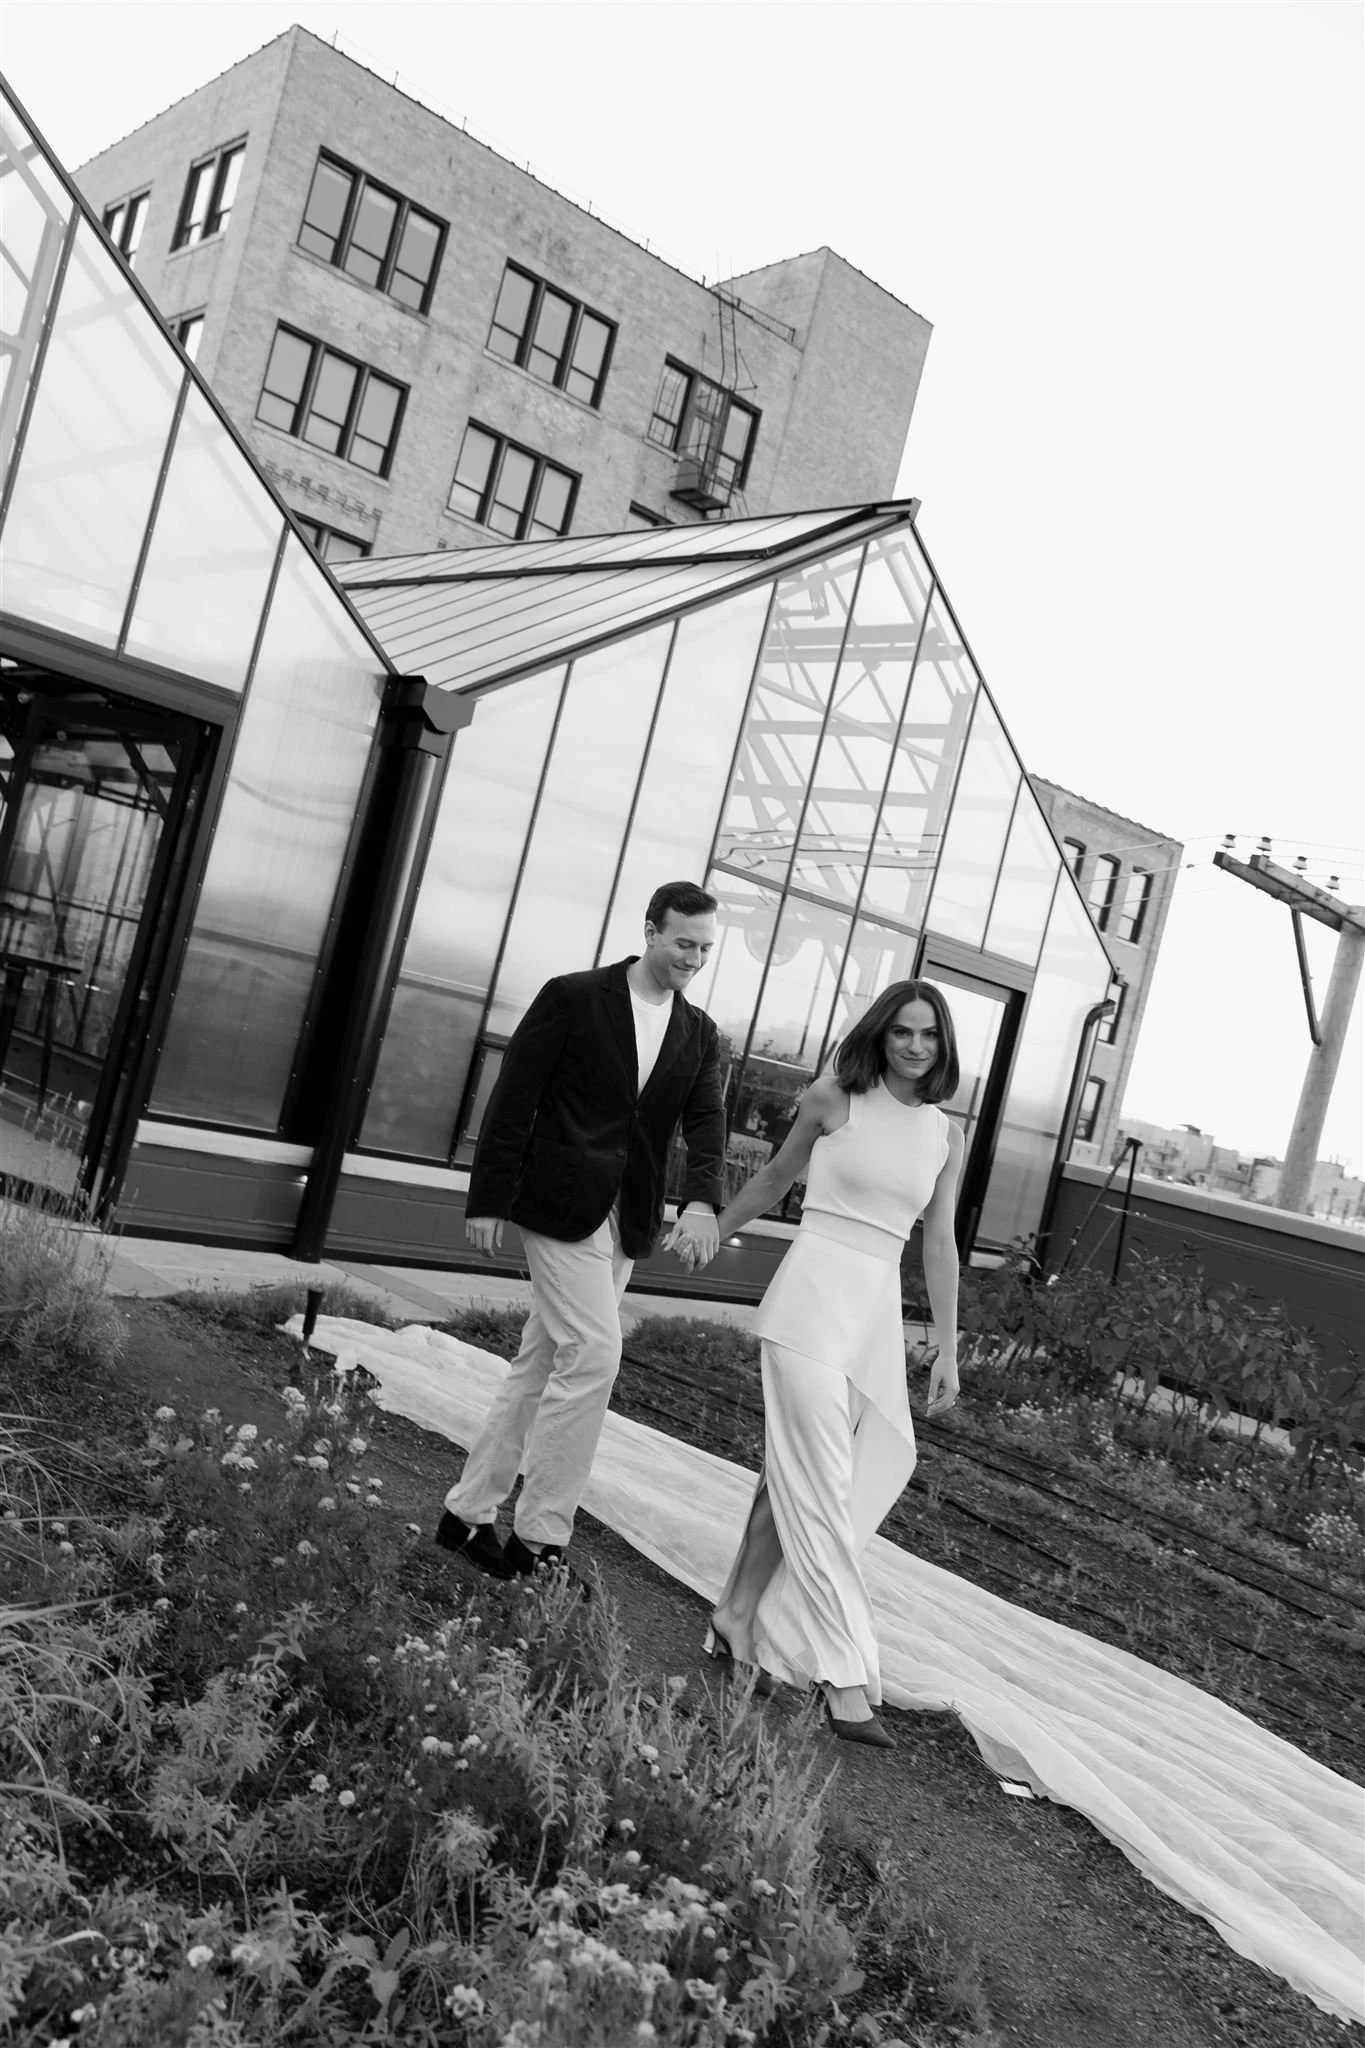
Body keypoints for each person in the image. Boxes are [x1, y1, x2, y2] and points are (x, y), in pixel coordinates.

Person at [435, 881, 726, 1581]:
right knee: (593, 1355)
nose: (693, 958)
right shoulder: (572, 997)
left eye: (705, 948)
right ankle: (541, 1538)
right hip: (560, 1204)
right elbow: (515, 1098)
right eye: (684, 942)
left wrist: (703, 1202)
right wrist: (488, 1197)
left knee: (540, 1365)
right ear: (651, 931)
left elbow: (706, 1123)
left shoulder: (699, 1032)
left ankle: (466, 1512)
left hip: (627, 1217)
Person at [703, 979, 963, 1748]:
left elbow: (939, 1241)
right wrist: (713, 1230)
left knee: (796, 1475)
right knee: (821, 1476)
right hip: (810, 1299)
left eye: (929, 1035)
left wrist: (947, 1344)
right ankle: (843, 1674)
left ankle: (737, 1613)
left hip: (873, 1315)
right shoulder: (832, 1099)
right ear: (880, 1035)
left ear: (943, 1047)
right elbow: (776, 1178)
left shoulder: (944, 1134)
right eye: (902, 1032)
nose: (915, 1046)